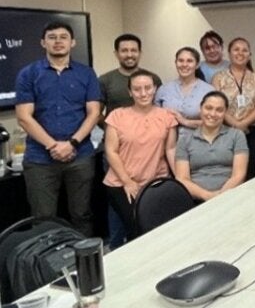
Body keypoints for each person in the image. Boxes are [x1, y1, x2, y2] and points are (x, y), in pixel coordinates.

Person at [15, 21, 101, 236]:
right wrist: (53, 145)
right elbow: (24, 117)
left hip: (80, 155)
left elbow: (94, 113)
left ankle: (85, 264)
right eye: (52, 37)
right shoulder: (28, 74)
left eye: (63, 37)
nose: (58, 41)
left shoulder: (86, 73)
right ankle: (48, 267)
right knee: (43, 219)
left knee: (82, 214)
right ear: (43, 43)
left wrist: (72, 143)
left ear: (72, 42)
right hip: (40, 159)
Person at [98, 33, 162, 249]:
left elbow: (160, 110)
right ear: (117, 53)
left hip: (148, 154)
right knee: (119, 204)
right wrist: (111, 131)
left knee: (146, 208)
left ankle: (142, 244)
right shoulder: (105, 80)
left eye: (133, 50)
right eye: (124, 50)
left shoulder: (153, 78)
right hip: (117, 151)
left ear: (140, 53)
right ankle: (117, 246)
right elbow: (96, 112)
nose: (129, 54)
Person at [103, 70, 177, 239]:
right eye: (137, 89)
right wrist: (127, 182)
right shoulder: (117, 116)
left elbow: (170, 149)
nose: (143, 93)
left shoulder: (166, 116)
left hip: (155, 180)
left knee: (159, 228)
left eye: (148, 88)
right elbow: (111, 151)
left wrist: (180, 179)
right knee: (137, 229)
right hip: (122, 183)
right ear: (130, 92)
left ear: (155, 89)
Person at [175, 91, 248, 201]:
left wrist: (221, 196)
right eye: (208, 108)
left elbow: (239, 174)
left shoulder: (236, 135)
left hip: (231, 197)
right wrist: (207, 196)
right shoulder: (185, 140)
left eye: (219, 110)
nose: (213, 114)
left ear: (225, 113)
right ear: (201, 109)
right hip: (196, 200)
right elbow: (182, 178)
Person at [212, 37, 255, 179]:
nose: (240, 53)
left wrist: (244, 123)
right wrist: (236, 124)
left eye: (245, 50)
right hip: (226, 131)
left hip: (253, 131)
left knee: (252, 170)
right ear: (229, 53)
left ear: (249, 55)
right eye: (236, 49)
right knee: (230, 171)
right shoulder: (218, 78)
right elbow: (215, 104)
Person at [155, 47, 215, 132]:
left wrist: (185, 122)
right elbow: (155, 120)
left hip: (199, 141)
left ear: (197, 65)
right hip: (168, 141)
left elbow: (215, 123)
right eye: (181, 61)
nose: (184, 64)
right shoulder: (164, 89)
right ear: (176, 63)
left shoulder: (209, 91)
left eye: (189, 61)